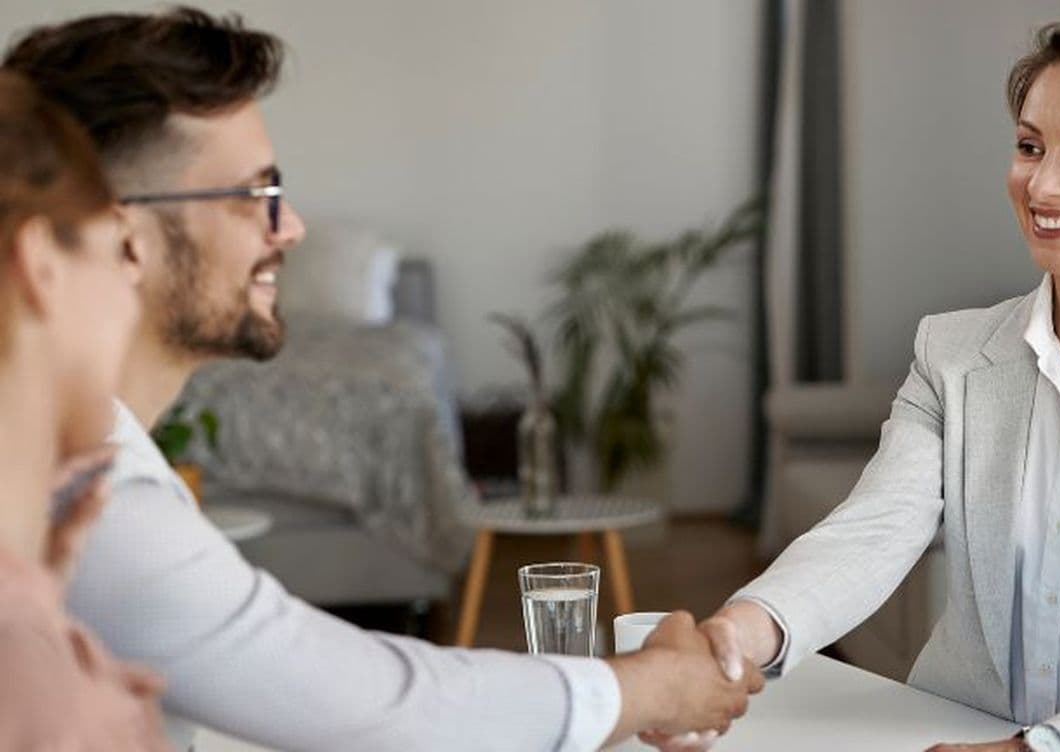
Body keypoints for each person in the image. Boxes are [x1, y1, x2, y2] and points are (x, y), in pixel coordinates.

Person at [3, 8, 761, 751]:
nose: (289, 227)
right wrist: (650, 687)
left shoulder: (90, 462)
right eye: (257, 196)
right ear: (121, 236)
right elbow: (362, 702)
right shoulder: (82, 494)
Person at [666, 14, 1060, 752]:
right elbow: (874, 531)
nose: (1042, 183)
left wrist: (1040, 748)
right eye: (1029, 146)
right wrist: (736, 635)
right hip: (950, 732)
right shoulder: (952, 353)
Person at [0, 69, 169, 750]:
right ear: (40, 264)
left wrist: (42, 591)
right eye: (116, 252)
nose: (132, 299)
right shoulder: (45, 697)